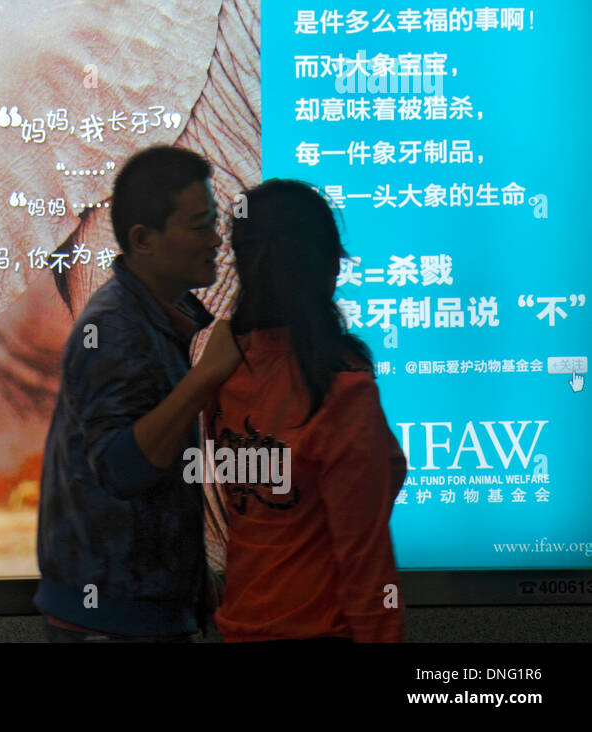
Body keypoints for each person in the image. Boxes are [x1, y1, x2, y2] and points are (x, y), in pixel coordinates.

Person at [35, 145, 244, 642]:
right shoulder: (116, 328)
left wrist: (190, 580)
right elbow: (122, 466)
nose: (217, 240)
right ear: (143, 240)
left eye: (215, 224)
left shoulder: (157, 319)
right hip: (113, 624)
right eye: (200, 227)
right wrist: (202, 380)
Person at [205, 178, 406, 642]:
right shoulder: (341, 389)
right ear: (333, 267)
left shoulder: (227, 366)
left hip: (240, 626)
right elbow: (365, 563)